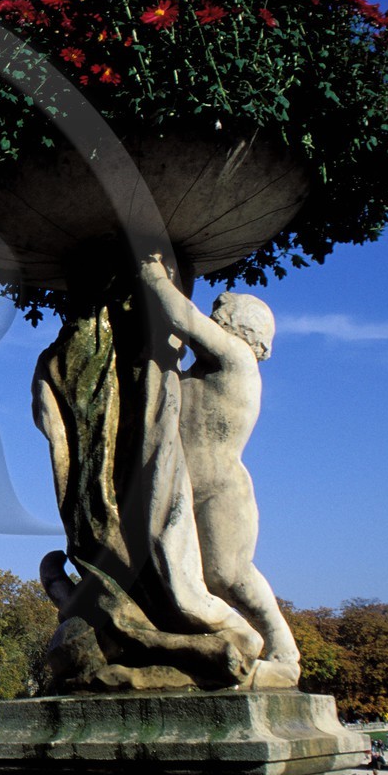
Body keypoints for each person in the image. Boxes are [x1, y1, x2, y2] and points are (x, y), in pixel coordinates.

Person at [139, 256, 301, 687]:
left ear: (237, 326)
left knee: (229, 574)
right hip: (182, 485)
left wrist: (152, 274)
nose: (211, 320)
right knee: (179, 576)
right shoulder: (198, 371)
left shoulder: (237, 357)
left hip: (222, 488)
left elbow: (183, 317)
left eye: (218, 316)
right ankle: (211, 643)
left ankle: (283, 646)